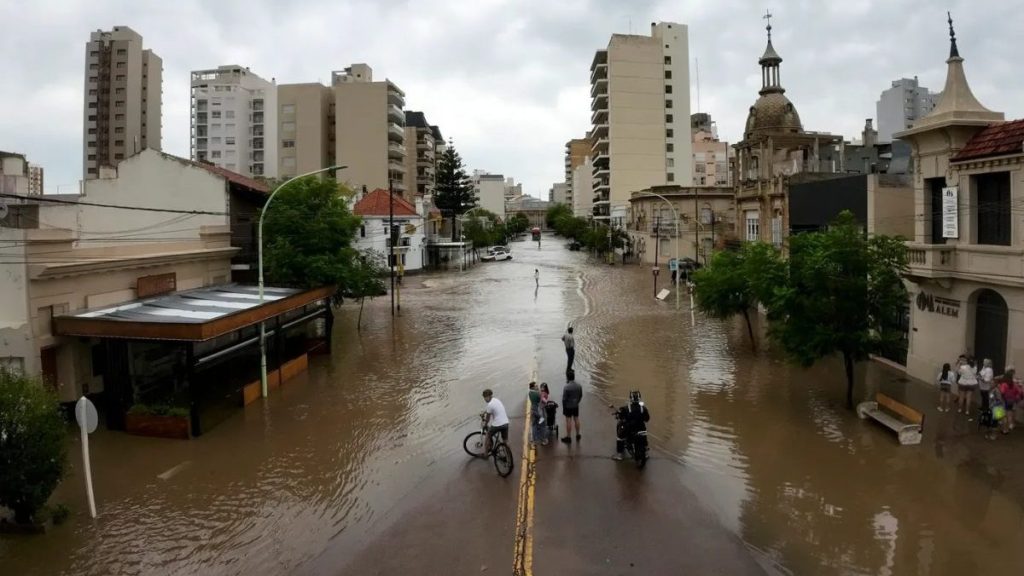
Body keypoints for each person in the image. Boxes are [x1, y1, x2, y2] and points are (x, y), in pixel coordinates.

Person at [613, 390, 650, 461]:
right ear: (640, 398)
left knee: (620, 436)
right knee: (644, 434)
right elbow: (647, 419)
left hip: (629, 429)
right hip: (641, 428)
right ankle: (645, 452)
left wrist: (619, 415)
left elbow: (620, 417)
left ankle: (619, 455)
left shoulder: (626, 408)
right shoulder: (643, 408)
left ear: (630, 398)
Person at [482, 388, 509, 454]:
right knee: (505, 440)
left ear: (489, 396)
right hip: (506, 423)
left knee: (487, 436)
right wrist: (484, 412)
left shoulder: (490, 404)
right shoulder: (496, 400)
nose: (484, 399)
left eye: (485, 397)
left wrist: (485, 425)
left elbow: (487, 419)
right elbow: (490, 409)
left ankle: (485, 454)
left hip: (497, 424)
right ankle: (508, 454)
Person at [997, 367, 1021, 435]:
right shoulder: (1014, 385)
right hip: (1011, 401)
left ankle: (1004, 429)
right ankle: (1009, 427)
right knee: (1009, 415)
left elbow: (1002, 392)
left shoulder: (1004, 384)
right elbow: (1018, 392)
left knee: (1003, 416)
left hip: (1004, 401)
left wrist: (999, 387)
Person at [561, 368, 582, 444]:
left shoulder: (566, 387)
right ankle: (578, 434)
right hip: (576, 405)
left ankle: (569, 437)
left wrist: (564, 408)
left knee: (568, 421)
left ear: (567, 378)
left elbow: (564, 399)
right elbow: (580, 395)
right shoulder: (579, 385)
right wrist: (577, 402)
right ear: (574, 377)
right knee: (576, 419)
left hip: (568, 406)